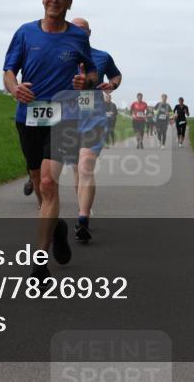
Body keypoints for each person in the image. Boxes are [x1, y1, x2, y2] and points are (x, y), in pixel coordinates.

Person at [3, 0, 97, 279]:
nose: (55, 1)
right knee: (38, 183)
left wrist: (87, 82)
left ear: (69, 3)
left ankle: (39, 262)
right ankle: (57, 227)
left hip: (63, 116)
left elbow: (92, 72)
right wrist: (15, 88)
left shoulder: (77, 37)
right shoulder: (25, 32)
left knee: (47, 183)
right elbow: (8, 71)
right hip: (28, 116)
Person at [70, 17, 121, 243]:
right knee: (75, 170)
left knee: (85, 166)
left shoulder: (102, 56)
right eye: (75, 28)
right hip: (68, 118)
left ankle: (83, 219)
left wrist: (113, 84)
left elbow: (116, 75)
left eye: (83, 29)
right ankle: (83, 207)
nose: (79, 32)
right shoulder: (60, 54)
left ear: (89, 33)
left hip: (93, 117)